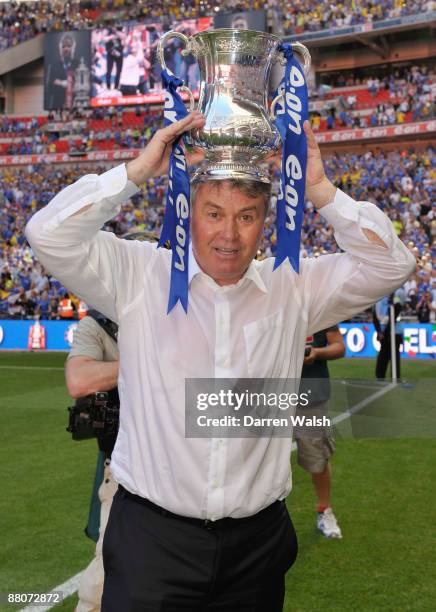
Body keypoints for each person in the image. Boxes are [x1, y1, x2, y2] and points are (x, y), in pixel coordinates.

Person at [25, 111, 415, 611]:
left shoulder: (293, 284)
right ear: (189, 213)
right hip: (151, 539)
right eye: (213, 213)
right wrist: (137, 172)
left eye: (246, 216)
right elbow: (47, 233)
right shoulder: (139, 274)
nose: (229, 234)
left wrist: (319, 189)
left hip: (256, 548)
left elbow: (394, 264)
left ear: (265, 220)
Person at [66, 311, 119, 612]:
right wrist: (148, 361)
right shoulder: (96, 325)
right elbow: (78, 381)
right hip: (122, 468)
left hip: (182, 464)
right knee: (104, 572)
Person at [296, 326, 345, 539]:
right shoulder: (265, 299)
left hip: (311, 393)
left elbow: (339, 346)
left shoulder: (318, 301)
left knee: (318, 458)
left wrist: (317, 353)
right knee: (260, 460)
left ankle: (324, 510)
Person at [373, 294, 403, 379]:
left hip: (389, 331)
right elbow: (397, 311)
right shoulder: (393, 295)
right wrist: (381, 332)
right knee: (392, 356)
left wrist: (379, 332)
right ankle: (394, 377)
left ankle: (381, 376)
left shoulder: (378, 298)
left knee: (384, 355)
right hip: (392, 331)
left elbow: (374, 317)